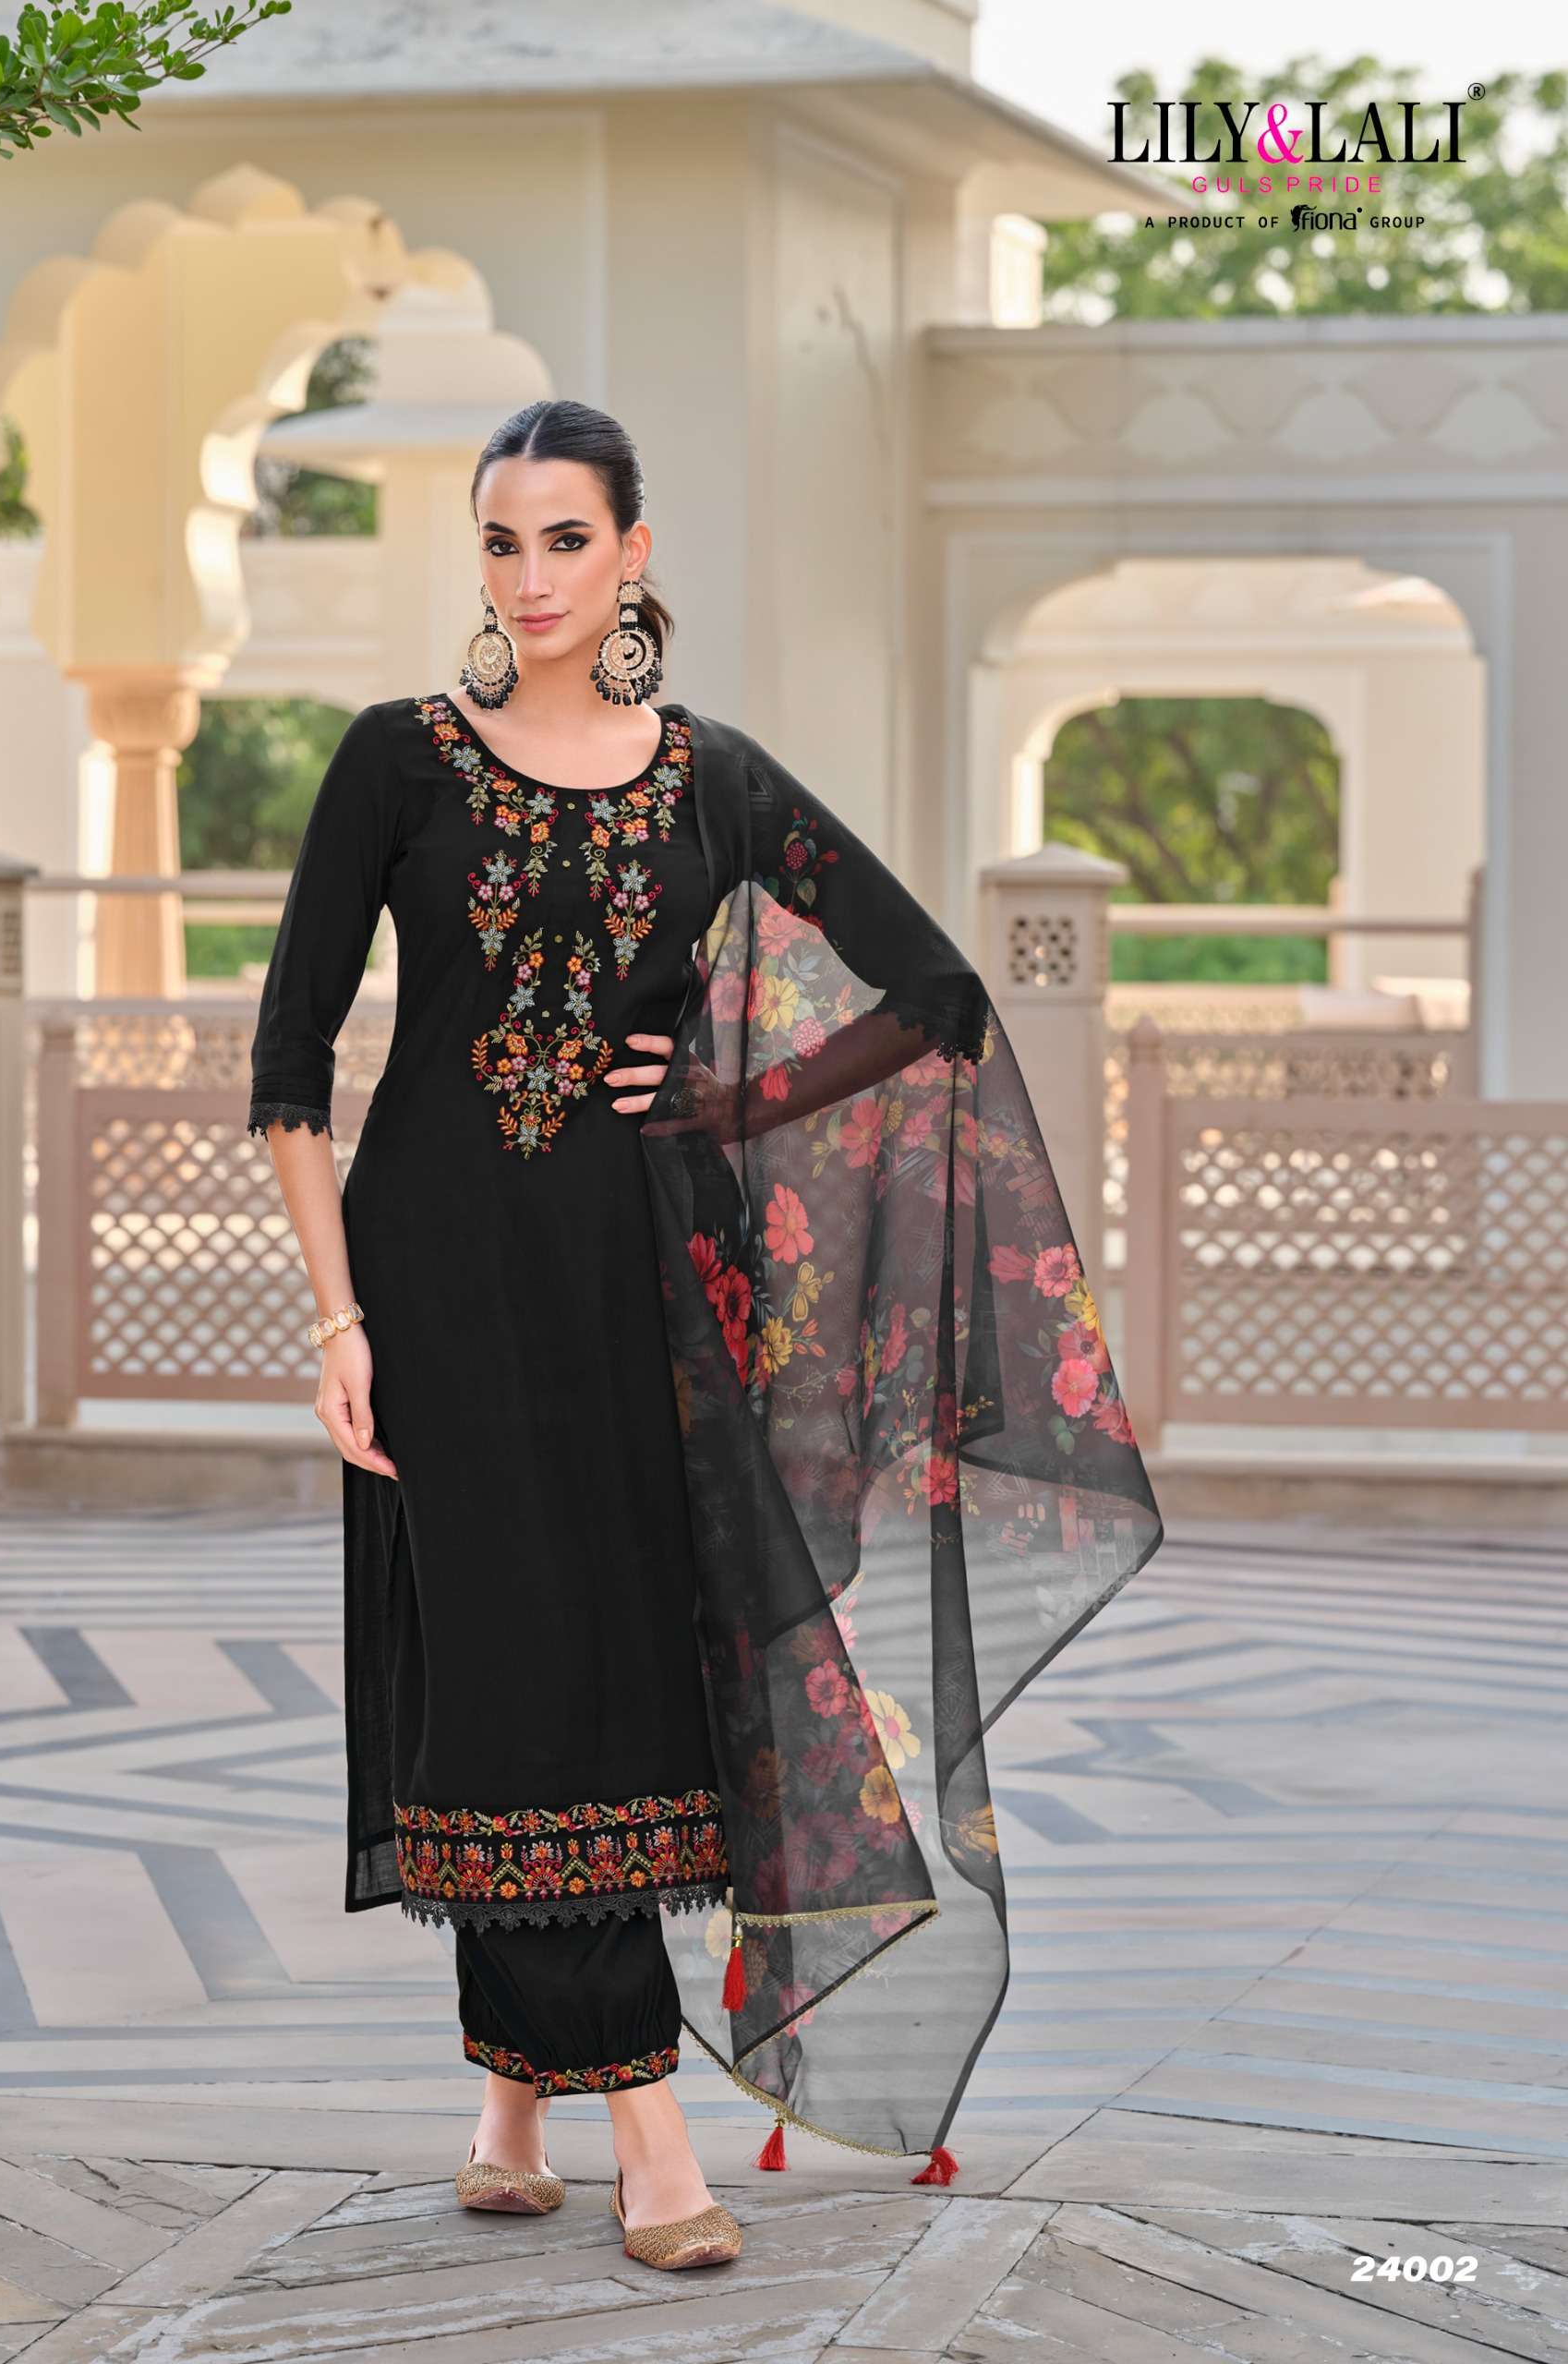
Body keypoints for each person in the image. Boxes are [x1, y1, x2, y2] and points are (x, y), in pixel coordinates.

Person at [248, 399, 1162, 2270]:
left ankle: (513, 2105)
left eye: (566, 539)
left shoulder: (713, 780)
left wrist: (741, 1102)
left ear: (633, 552)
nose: (531, 576)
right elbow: (288, 1067)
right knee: (504, 1666)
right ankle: (650, 2137)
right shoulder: (397, 760)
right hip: (438, 1282)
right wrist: (336, 1316)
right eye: (501, 541)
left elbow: (933, 989)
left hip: (653, 1288)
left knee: (611, 1672)